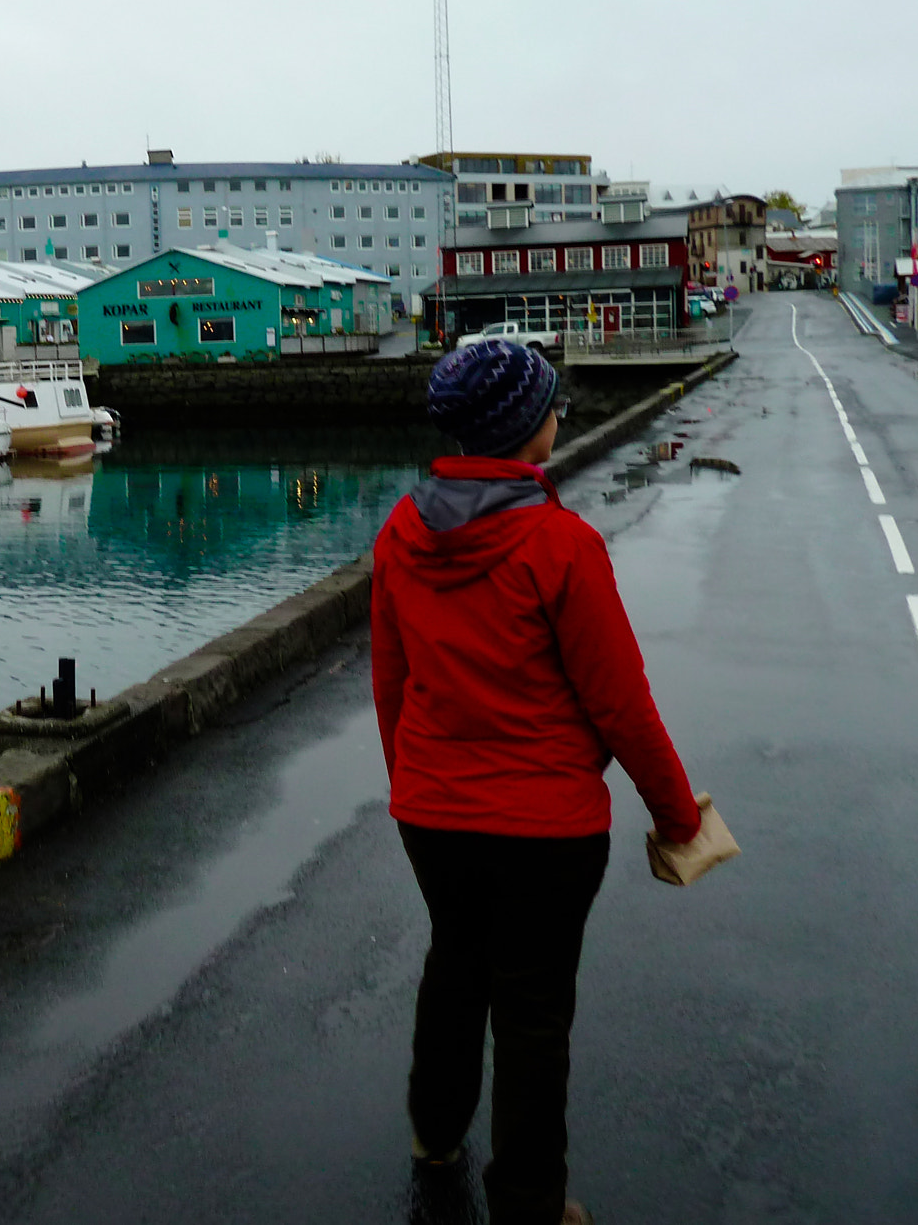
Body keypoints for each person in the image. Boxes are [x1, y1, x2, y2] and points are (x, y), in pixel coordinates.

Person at [371, 339, 702, 1225]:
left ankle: (434, 1133)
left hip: (433, 815)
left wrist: (416, 786)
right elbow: (622, 707)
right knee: (530, 1013)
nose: (561, 414)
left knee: (454, 965)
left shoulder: (402, 533)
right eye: (552, 403)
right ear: (525, 429)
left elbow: (392, 685)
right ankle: (528, 1204)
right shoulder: (560, 545)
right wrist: (677, 816)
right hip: (544, 830)